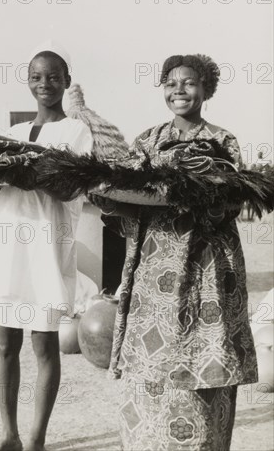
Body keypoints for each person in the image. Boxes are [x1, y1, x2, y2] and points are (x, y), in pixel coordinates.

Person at [90, 54, 257, 450]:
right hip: (154, 271)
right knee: (151, 372)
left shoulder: (221, 141)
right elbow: (126, 199)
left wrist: (168, 195)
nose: (179, 90)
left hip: (206, 269)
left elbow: (221, 201)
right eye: (170, 83)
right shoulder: (147, 141)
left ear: (207, 90)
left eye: (189, 82)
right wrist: (105, 196)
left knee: (204, 365)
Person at [0, 48, 93, 451]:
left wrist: (22, 175)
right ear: (28, 81)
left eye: (53, 77)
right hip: (6, 244)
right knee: (5, 344)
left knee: (43, 343)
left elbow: (67, 186)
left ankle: (36, 437)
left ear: (66, 80)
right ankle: (9, 434)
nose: (44, 85)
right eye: (37, 77)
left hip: (44, 245)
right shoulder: (14, 136)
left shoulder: (75, 131)